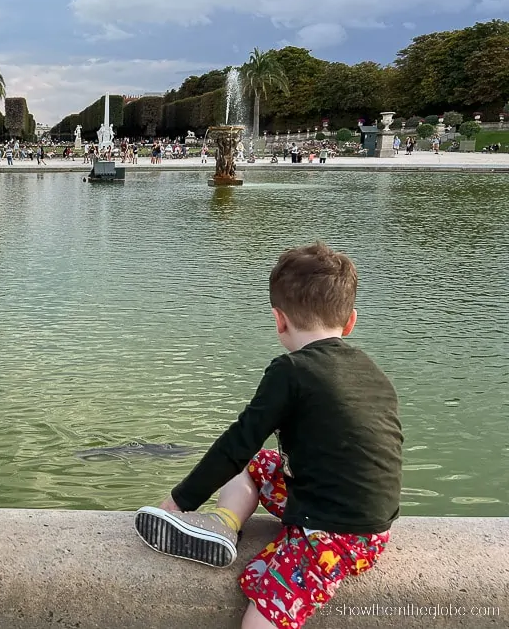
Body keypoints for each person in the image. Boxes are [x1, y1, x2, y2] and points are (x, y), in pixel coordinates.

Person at [134, 243, 402, 629]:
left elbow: (237, 443)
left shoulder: (290, 370)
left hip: (333, 533)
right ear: (350, 322)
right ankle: (223, 526)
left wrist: (177, 502)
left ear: (279, 320)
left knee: (261, 618)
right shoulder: (375, 374)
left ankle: (222, 522)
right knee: (260, 466)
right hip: (371, 524)